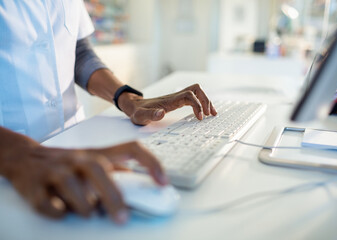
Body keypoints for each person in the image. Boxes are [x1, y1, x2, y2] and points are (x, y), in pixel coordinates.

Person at [0, 1, 217, 224]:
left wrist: (127, 98)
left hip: (77, 140)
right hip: (12, 165)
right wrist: (15, 153)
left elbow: (79, 53)